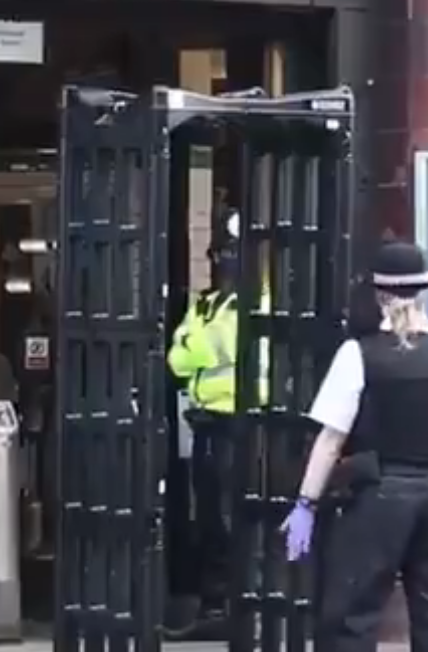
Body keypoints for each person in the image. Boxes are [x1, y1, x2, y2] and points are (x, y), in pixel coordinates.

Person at [281, 239, 428, 652]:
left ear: (378, 294)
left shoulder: (357, 354)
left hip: (377, 499)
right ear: (423, 292)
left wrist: (306, 503)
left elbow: (331, 439)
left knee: (353, 616)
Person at [166, 210, 268, 617]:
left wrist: (193, 342)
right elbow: (178, 359)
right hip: (207, 421)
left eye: (226, 253)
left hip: (242, 424)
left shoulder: (255, 303)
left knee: (233, 519)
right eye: (216, 254)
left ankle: (239, 602)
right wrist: (194, 343)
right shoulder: (208, 304)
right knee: (208, 517)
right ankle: (214, 602)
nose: (218, 262)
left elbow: (214, 348)